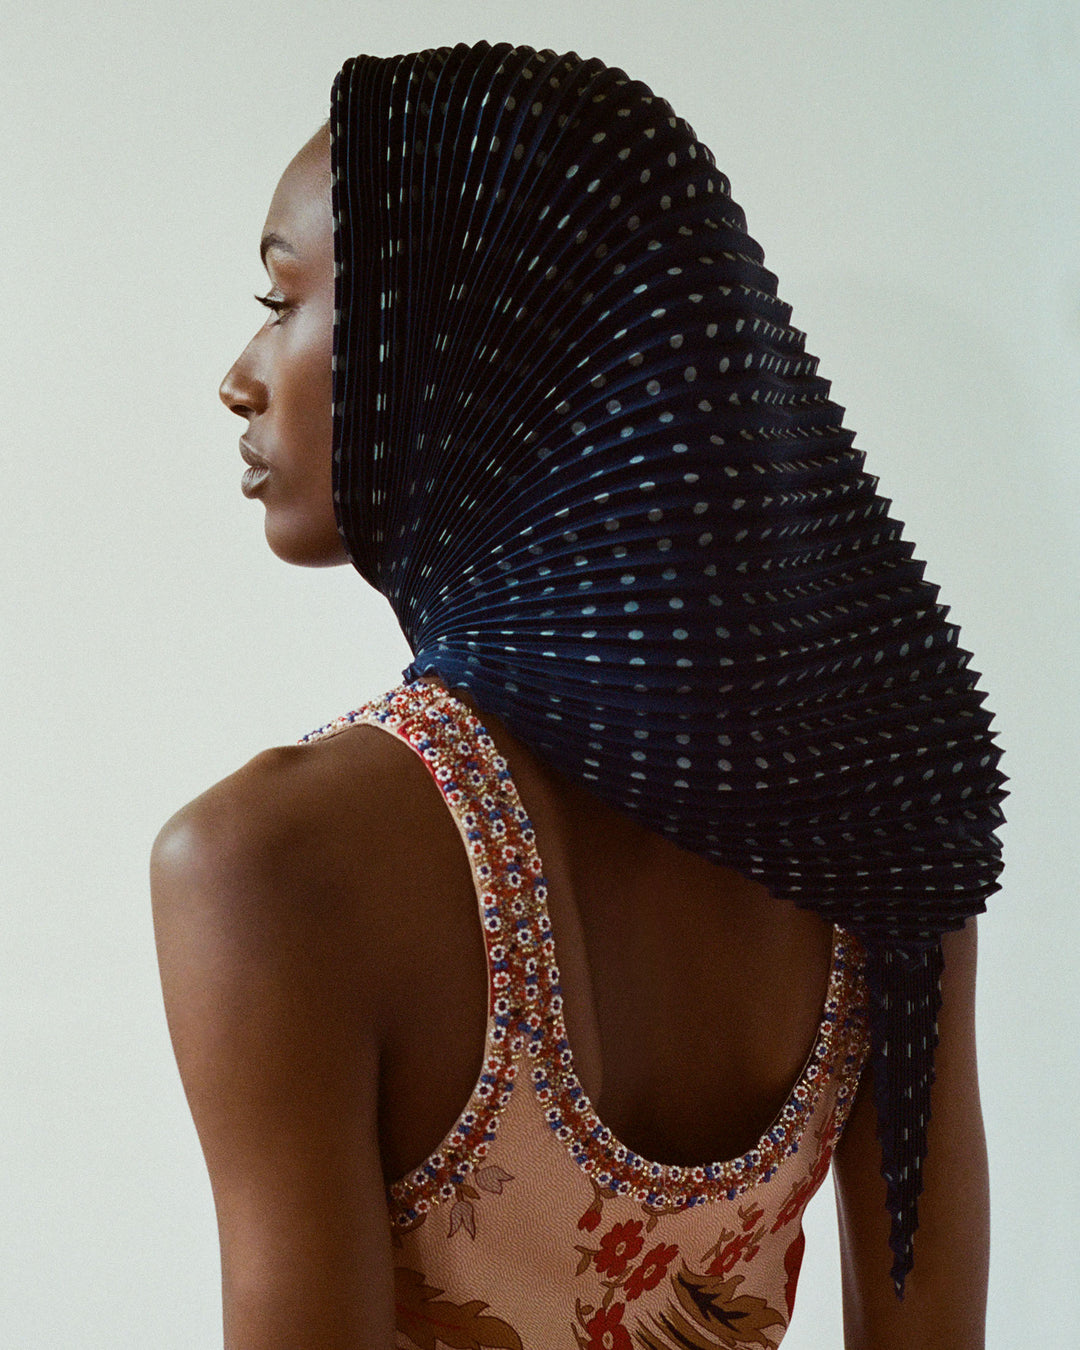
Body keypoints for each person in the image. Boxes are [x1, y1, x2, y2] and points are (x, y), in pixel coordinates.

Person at [151, 43, 1001, 1350]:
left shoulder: (272, 867)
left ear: (464, 341)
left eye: (280, 297)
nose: (241, 372)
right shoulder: (880, 827)